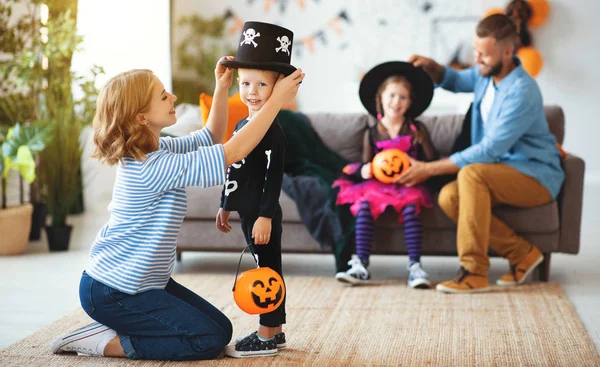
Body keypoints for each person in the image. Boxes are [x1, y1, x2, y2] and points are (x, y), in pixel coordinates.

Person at [49, 55, 304, 360]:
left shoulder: (160, 147)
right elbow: (234, 150)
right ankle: (103, 343)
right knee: (208, 341)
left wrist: (221, 88)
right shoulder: (152, 167)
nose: (173, 97)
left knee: (221, 329)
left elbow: (211, 136)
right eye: (162, 96)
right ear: (142, 117)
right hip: (113, 291)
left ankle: (118, 329)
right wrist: (275, 101)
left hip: (147, 284)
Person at [399, 14, 564, 293]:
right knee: (450, 197)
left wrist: (428, 168)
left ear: (509, 51)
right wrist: (433, 68)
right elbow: (454, 79)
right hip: (501, 171)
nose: (477, 60)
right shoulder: (486, 75)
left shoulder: (521, 91)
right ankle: (522, 254)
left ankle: (473, 272)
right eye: (476, 52)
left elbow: (489, 150)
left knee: (472, 174)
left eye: (484, 55)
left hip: (536, 175)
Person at [215, 21, 296, 358]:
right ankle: (274, 332)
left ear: (277, 88)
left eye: (262, 84)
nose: (251, 91)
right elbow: (234, 168)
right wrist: (225, 204)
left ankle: (266, 335)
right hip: (247, 210)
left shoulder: (272, 132)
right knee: (265, 268)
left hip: (263, 213)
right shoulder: (241, 125)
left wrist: (265, 216)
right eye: (246, 82)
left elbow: (272, 178)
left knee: (267, 271)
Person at [333, 61, 437, 289]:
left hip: (408, 183)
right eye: (391, 96)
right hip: (378, 185)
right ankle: (360, 265)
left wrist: (420, 156)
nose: (396, 102)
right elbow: (365, 163)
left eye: (403, 97)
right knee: (364, 206)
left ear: (410, 102)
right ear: (381, 98)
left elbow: (431, 162)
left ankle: (415, 267)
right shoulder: (372, 131)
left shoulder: (416, 129)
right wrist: (365, 169)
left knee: (412, 207)